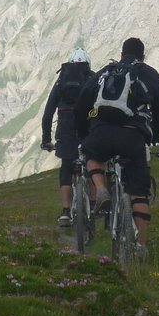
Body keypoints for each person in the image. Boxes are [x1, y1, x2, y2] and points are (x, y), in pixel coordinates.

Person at [75, 37, 159, 256]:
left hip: (102, 131)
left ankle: (100, 188)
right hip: (134, 136)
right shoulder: (148, 73)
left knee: (93, 155)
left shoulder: (107, 71)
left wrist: (85, 133)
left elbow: (83, 102)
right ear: (142, 56)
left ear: (121, 54)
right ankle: (141, 246)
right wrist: (154, 134)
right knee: (139, 192)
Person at [41, 47, 95, 226]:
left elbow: (48, 113)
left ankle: (65, 211)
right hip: (87, 128)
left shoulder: (61, 81)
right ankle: (94, 205)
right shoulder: (93, 78)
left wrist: (46, 140)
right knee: (94, 162)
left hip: (66, 129)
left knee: (66, 166)